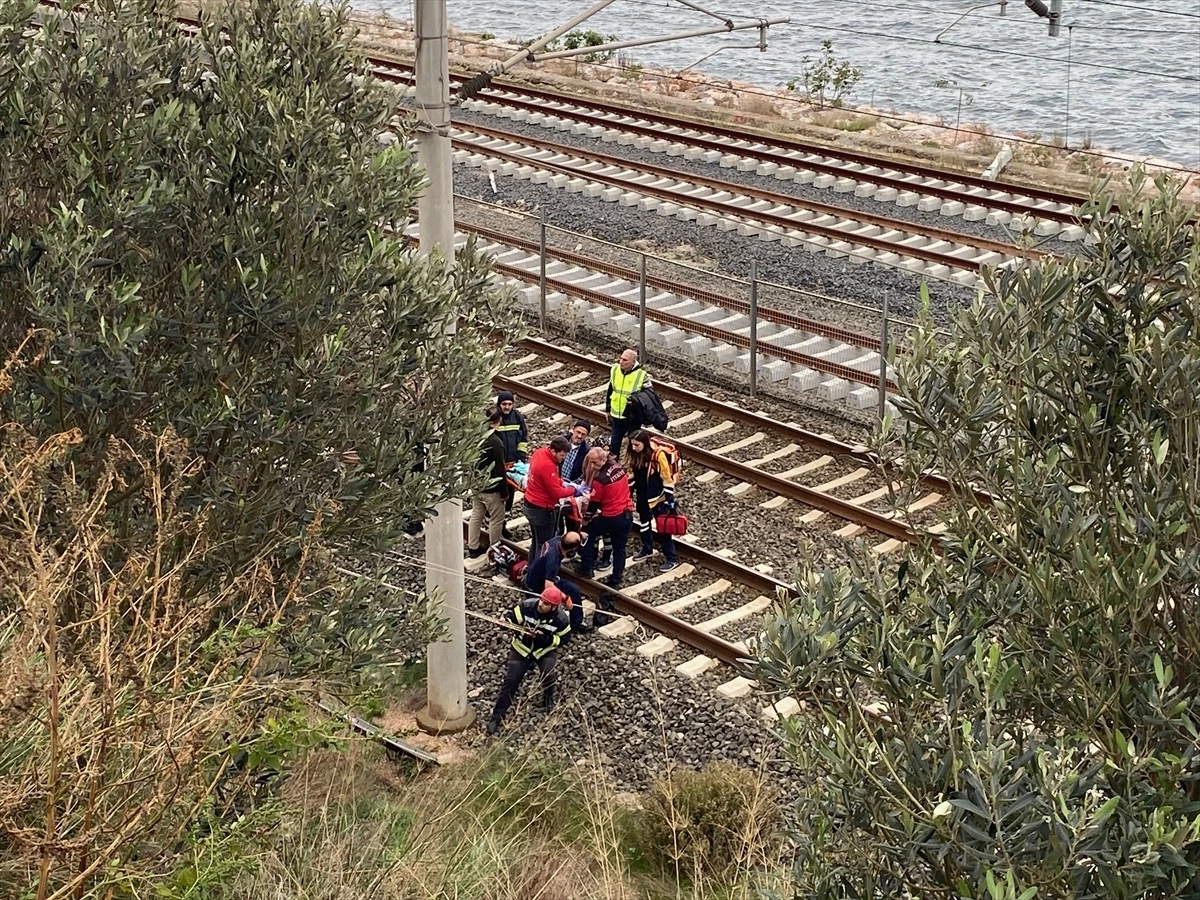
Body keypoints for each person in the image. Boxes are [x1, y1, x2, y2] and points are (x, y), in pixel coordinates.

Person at [486, 585, 572, 735]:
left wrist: (545, 639)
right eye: (541, 600)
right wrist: (504, 623)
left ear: (553, 607)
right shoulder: (526, 607)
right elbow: (511, 618)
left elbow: (564, 639)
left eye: (545, 603)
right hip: (522, 649)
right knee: (511, 681)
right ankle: (496, 717)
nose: (541, 604)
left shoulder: (561, 619)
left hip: (543, 651)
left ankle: (548, 695)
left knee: (548, 674)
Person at [577, 447, 633, 588]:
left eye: (595, 463)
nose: (592, 466)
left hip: (610, 517)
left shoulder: (600, 480)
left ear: (603, 459)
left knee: (587, 533)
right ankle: (616, 579)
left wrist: (586, 519)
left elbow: (594, 504)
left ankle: (586, 569)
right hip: (626, 514)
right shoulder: (619, 467)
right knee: (620, 548)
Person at [626, 429, 679, 573]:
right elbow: (631, 475)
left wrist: (670, 500)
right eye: (632, 445)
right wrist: (627, 493)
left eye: (637, 445)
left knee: (663, 527)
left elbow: (666, 478)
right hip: (643, 495)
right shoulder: (634, 454)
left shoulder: (658, 456)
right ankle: (647, 548)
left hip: (658, 497)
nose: (634, 448)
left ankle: (671, 558)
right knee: (644, 523)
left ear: (644, 444)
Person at [523, 436, 580, 555]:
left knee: (536, 542)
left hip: (530, 503)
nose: (563, 459)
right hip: (541, 509)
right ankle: (540, 571)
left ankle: (532, 567)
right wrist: (573, 490)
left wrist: (561, 482)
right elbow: (557, 493)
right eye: (562, 455)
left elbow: (547, 480)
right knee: (544, 546)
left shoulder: (539, 453)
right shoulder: (548, 465)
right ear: (553, 451)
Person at [523, 531, 589, 633]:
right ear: (572, 550)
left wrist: (579, 534)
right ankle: (577, 624)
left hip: (535, 576)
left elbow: (569, 537)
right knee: (573, 591)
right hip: (537, 585)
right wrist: (565, 598)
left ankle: (576, 621)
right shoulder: (552, 560)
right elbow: (548, 586)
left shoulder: (557, 540)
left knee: (572, 588)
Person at [467, 407, 507, 558]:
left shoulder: (477, 435)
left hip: (477, 485)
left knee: (476, 514)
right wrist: (504, 492)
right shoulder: (496, 443)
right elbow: (499, 470)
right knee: (496, 519)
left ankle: (473, 546)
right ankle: (494, 552)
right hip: (491, 489)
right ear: (499, 420)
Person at [604, 349, 650, 458]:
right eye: (621, 358)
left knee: (633, 444)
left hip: (632, 416)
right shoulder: (615, 370)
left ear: (633, 362)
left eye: (625, 360)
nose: (621, 362)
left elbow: (649, 396)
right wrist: (607, 409)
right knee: (615, 442)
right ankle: (614, 466)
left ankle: (632, 465)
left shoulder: (641, 375)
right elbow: (611, 390)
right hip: (617, 414)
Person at [495, 390, 529, 464]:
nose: (507, 407)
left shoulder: (517, 417)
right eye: (504, 404)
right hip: (498, 462)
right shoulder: (495, 417)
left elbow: (523, 439)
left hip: (514, 462)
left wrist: (521, 458)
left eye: (510, 404)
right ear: (499, 404)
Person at [559, 419, 592, 484]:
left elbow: (584, 473)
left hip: (571, 485)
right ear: (573, 430)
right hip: (555, 480)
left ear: (586, 436)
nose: (579, 436)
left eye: (583, 434)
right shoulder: (560, 442)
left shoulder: (586, 452)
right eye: (578, 432)